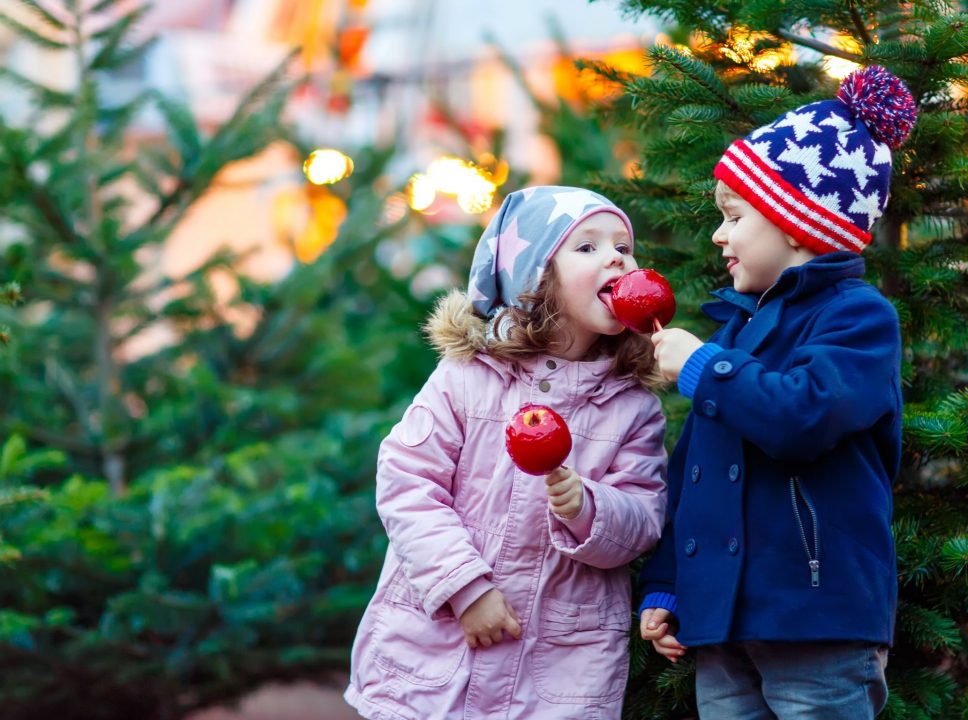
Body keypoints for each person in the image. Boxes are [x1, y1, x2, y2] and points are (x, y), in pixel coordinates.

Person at [638, 66, 916, 719]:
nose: (718, 235)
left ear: (797, 222)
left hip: (815, 617)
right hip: (722, 620)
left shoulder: (858, 318)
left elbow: (804, 413)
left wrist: (705, 367)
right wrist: (668, 585)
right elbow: (697, 470)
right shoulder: (737, 327)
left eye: (733, 216)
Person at [345, 186, 668, 719]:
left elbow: (643, 520)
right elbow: (407, 481)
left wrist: (586, 507)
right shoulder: (468, 378)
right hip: (441, 651)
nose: (617, 257)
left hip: (556, 666)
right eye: (586, 247)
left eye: (624, 247)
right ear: (535, 277)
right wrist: (465, 589)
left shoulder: (632, 407)